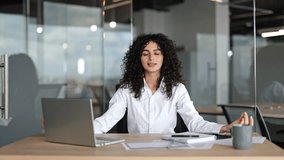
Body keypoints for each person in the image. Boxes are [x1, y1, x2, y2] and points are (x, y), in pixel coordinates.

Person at [94, 33, 253, 134]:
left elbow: (194, 122)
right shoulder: (126, 90)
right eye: (145, 54)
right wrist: (81, 132)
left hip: (167, 151)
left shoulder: (178, 89)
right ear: (138, 59)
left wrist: (223, 128)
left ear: (165, 58)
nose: (151, 59)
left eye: (157, 53)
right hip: (135, 152)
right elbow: (107, 120)